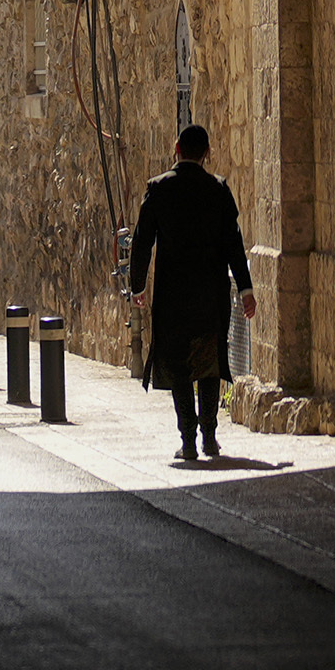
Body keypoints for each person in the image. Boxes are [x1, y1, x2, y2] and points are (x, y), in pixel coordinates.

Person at [120, 123, 256, 464]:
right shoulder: (218, 190)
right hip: (211, 294)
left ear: (176, 148)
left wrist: (138, 286)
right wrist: (246, 288)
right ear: (207, 153)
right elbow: (234, 244)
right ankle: (210, 435)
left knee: (180, 364)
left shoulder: (158, 189)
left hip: (172, 297)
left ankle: (189, 439)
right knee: (208, 362)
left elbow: (141, 243)